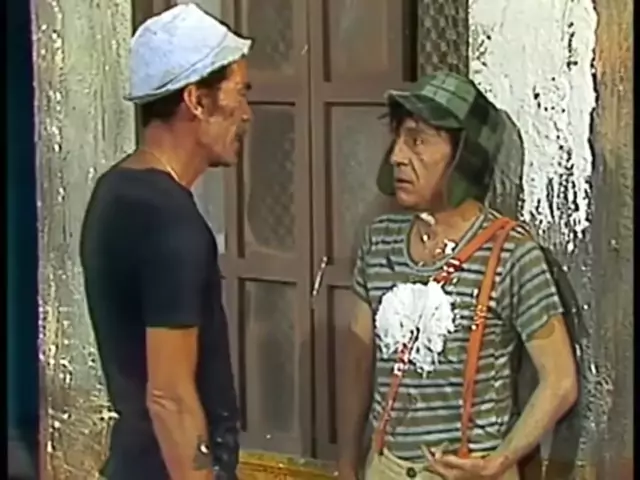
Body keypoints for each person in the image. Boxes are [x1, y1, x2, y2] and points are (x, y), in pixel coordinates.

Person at [337, 72, 578, 480]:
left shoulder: (511, 254)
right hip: (386, 468)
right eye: (399, 138)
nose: (397, 156)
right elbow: (359, 363)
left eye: (418, 140)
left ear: (463, 156)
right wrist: (347, 463)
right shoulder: (379, 242)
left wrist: (499, 462)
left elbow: (560, 381)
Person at [80, 4, 252, 480]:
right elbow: (169, 398)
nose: (246, 114)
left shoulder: (115, 192)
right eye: (239, 93)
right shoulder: (171, 222)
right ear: (196, 100)